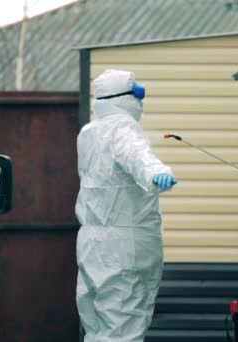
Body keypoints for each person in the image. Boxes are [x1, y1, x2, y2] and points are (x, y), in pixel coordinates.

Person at [75, 69, 177, 341]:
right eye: (137, 94)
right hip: (125, 248)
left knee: (97, 326)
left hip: (92, 245)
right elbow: (136, 155)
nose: (141, 102)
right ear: (124, 98)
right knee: (124, 325)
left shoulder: (88, 133)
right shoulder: (123, 129)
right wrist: (156, 173)